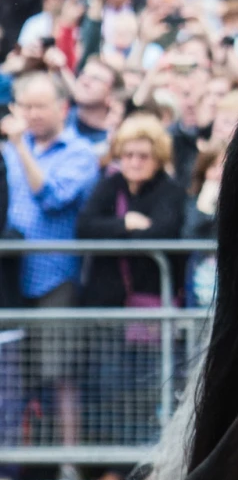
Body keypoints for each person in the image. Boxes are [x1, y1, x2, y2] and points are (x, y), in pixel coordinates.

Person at [0, 67, 100, 466]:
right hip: (9, 277)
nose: (32, 114)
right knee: (12, 376)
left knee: (59, 373)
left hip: (54, 275)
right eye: (25, 106)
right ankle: (16, 466)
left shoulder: (79, 153)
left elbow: (52, 198)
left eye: (40, 106)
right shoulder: (5, 149)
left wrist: (21, 147)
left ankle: (68, 463)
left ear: (62, 107)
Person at [77, 112, 186, 452]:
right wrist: (127, 223)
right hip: (107, 307)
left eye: (143, 156)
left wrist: (124, 230)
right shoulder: (110, 185)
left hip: (148, 311)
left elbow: (163, 232)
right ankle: (111, 463)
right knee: (106, 388)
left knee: (144, 389)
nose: (134, 162)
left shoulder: (169, 190)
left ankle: (137, 462)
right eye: (128, 155)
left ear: (158, 158)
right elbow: (85, 226)